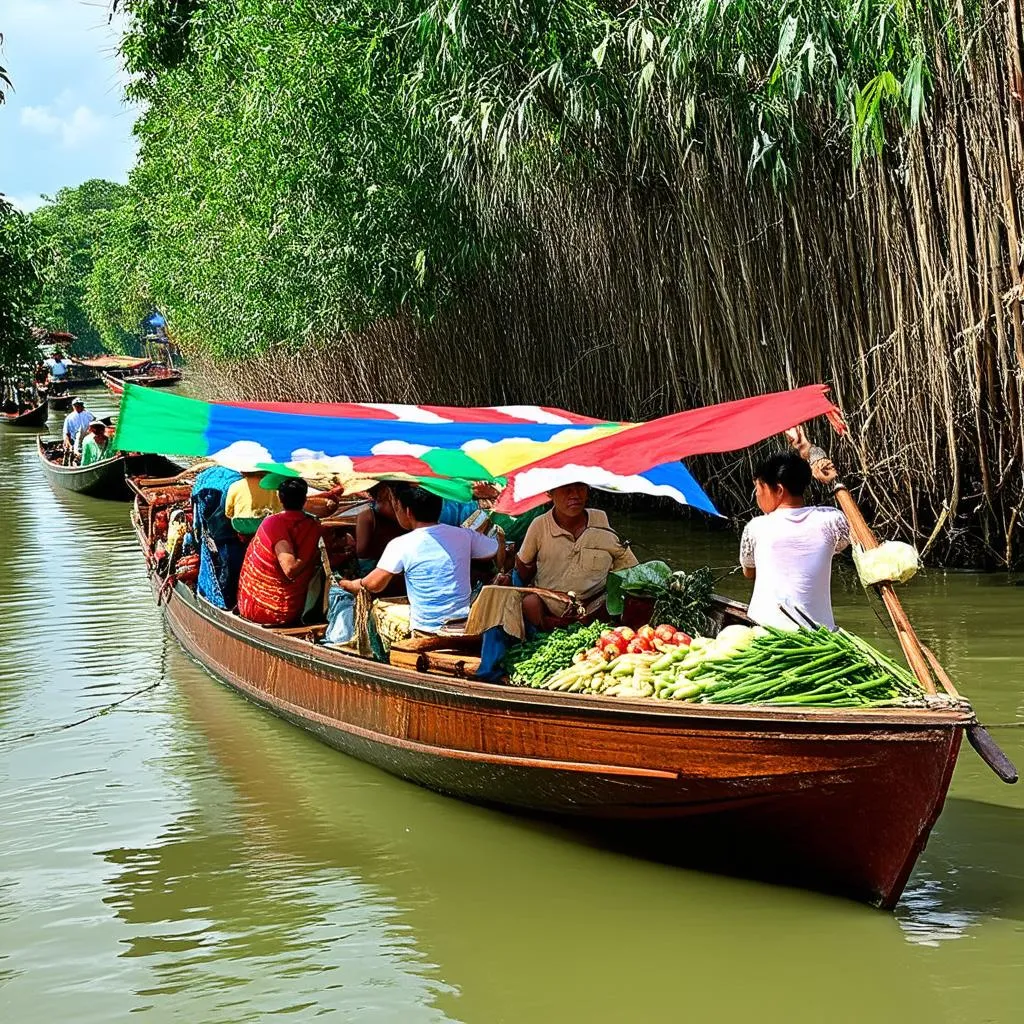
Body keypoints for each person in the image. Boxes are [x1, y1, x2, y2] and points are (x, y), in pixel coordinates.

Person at [338, 482, 499, 634]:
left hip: (426, 629)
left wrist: (349, 584)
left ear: (407, 512)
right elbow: (493, 549)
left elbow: (373, 585)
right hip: (464, 625)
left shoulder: (400, 544)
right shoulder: (464, 535)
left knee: (377, 612)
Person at [739, 451, 851, 630]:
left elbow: (749, 573)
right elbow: (855, 535)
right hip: (822, 635)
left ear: (779, 490)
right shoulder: (832, 520)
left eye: (759, 488)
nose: (757, 495)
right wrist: (832, 481)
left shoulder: (756, 527)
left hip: (766, 634)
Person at [514, 482, 638, 629]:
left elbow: (631, 568)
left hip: (593, 609)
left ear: (587, 491)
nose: (575, 495)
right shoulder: (539, 526)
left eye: (580, 488)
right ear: (550, 493)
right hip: (549, 608)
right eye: (566, 489)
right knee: (529, 602)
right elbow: (522, 566)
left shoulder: (601, 524)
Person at [237, 477, 324, 626]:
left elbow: (290, 568)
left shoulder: (272, 522)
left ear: (280, 498)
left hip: (264, 609)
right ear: (304, 500)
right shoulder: (312, 525)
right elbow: (290, 569)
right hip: (280, 609)